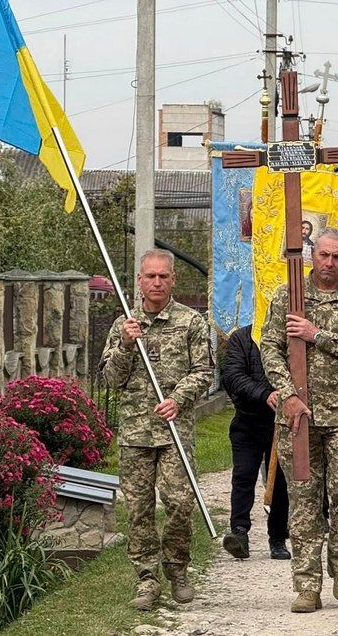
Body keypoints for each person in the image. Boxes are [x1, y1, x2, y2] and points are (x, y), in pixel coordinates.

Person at [259, 227, 338, 613]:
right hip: (297, 416)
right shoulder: (288, 296)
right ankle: (307, 584)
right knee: (303, 501)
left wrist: (317, 334)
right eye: (323, 255)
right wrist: (288, 395)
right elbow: (270, 348)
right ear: (313, 255)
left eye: (337, 257)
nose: (329, 263)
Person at [100, 249, 214, 611]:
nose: (157, 282)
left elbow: (204, 371)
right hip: (136, 434)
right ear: (139, 280)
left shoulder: (191, 322)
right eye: (150, 276)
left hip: (174, 432)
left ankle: (177, 568)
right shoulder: (125, 325)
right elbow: (110, 379)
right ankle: (147, 580)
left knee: (180, 503)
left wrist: (178, 398)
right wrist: (125, 345)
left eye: (163, 276)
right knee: (139, 510)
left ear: (173, 279)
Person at [220, 324, 290, 562]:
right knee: (243, 475)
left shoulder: (289, 335)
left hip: (283, 423)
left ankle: (278, 538)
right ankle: (239, 532)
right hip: (247, 421)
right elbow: (233, 376)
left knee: (281, 481)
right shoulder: (242, 338)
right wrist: (264, 394)